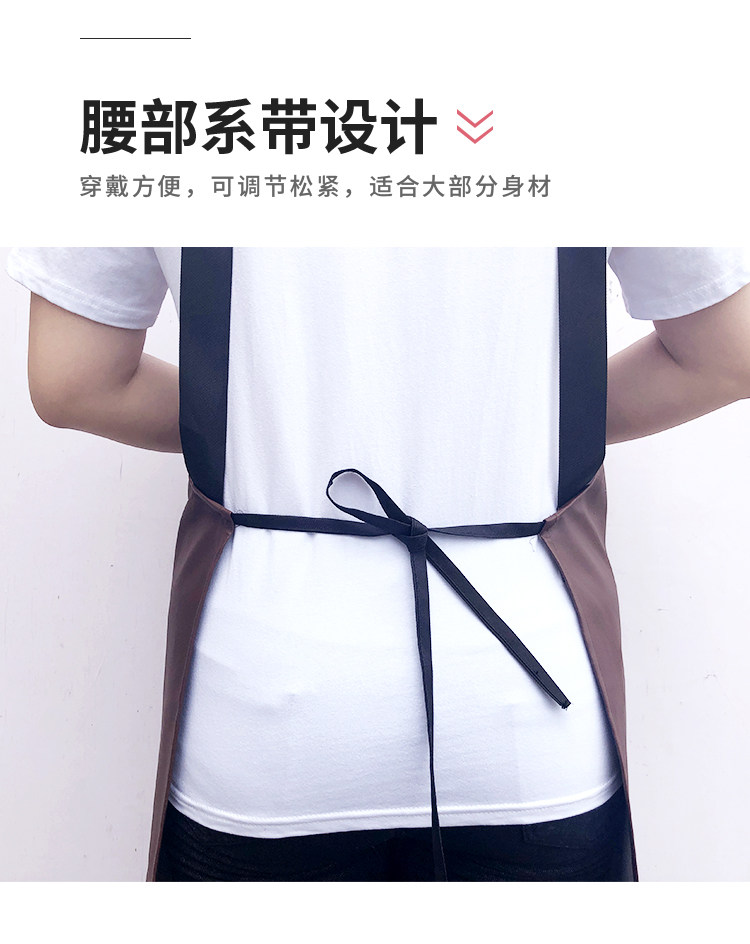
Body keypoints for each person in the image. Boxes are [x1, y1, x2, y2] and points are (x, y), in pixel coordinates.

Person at [7, 247, 750, 882]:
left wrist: (260, 426)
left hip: (268, 719)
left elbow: (75, 381)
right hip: (524, 719)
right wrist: (533, 425)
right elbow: (725, 352)